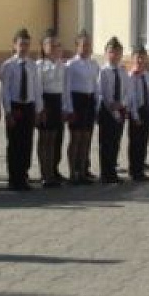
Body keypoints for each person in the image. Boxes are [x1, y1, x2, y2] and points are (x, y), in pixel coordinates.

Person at [0, 28, 41, 191]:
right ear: (14, 45)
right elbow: (5, 91)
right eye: (21, 44)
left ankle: (23, 175)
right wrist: (8, 112)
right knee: (14, 143)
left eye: (26, 44)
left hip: (29, 106)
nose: (24, 48)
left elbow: (37, 89)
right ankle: (14, 177)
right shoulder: (8, 65)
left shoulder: (32, 65)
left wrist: (38, 109)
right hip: (15, 107)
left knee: (27, 143)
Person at [63, 31, 100, 185]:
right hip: (76, 101)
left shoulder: (94, 64)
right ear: (77, 46)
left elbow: (96, 86)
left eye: (88, 45)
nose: (86, 48)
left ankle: (83, 171)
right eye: (83, 45)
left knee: (86, 138)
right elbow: (67, 88)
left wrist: (97, 105)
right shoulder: (71, 65)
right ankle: (72, 172)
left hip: (89, 101)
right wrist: (69, 108)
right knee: (75, 138)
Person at [36, 29, 67, 187]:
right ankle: (45, 174)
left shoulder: (62, 65)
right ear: (43, 46)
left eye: (57, 45)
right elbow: (38, 89)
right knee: (45, 140)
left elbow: (65, 88)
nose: (55, 48)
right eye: (51, 45)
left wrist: (65, 108)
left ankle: (53, 170)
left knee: (56, 139)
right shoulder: (39, 65)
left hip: (57, 102)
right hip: (45, 103)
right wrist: (40, 109)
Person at [96, 36, 129, 184]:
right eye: (111, 52)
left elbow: (127, 91)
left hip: (120, 109)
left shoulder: (122, 72)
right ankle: (105, 172)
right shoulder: (103, 71)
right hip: (106, 110)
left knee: (116, 141)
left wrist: (122, 104)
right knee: (106, 142)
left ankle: (112, 170)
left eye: (117, 52)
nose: (114, 55)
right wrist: (110, 105)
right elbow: (101, 91)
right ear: (106, 53)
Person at [125, 44, 149, 182]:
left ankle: (140, 168)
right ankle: (133, 170)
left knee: (144, 141)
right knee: (135, 142)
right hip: (136, 112)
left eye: (143, 58)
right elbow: (131, 98)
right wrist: (135, 115)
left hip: (147, 110)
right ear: (132, 59)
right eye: (138, 58)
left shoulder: (148, 76)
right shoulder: (130, 77)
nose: (140, 61)